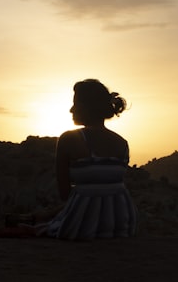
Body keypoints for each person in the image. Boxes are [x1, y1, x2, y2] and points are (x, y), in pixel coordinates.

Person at [38, 79, 137, 240]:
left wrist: (48, 214)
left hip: (82, 224)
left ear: (88, 107)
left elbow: (65, 194)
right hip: (121, 223)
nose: (71, 110)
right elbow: (105, 188)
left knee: (38, 227)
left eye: (76, 104)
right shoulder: (122, 143)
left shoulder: (69, 139)